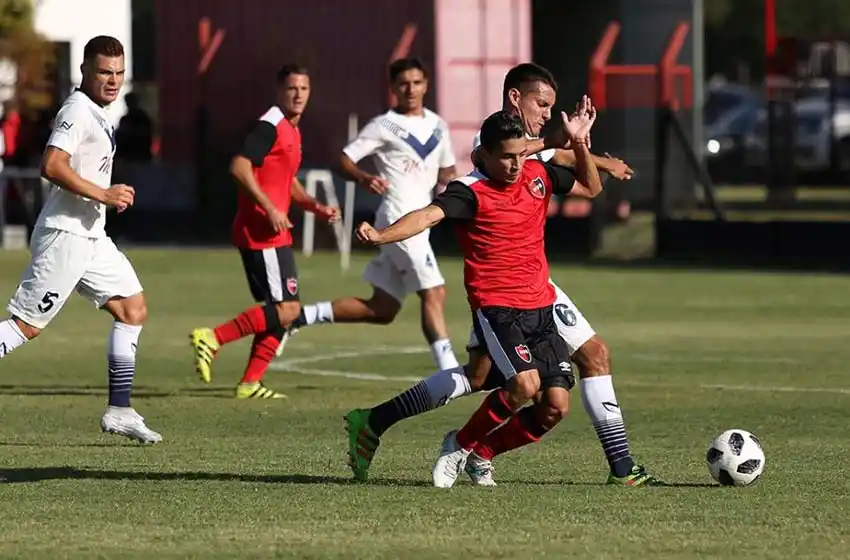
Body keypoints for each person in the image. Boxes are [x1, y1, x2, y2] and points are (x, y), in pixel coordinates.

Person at [0, 36, 161, 443]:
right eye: (105, 72)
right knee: (25, 327)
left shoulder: (99, 112)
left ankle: (121, 411)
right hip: (65, 237)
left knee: (132, 309)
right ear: (85, 71)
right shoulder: (77, 109)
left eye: (119, 73)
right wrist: (103, 194)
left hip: (91, 236)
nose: (113, 80)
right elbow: (51, 165)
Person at [278, 58, 460, 370]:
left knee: (383, 308)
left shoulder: (438, 126)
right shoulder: (384, 125)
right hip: (397, 219)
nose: (410, 89)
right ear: (393, 89)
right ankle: (451, 372)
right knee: (435, 292)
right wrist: (364, 178)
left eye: (417, 82)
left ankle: (300, 317)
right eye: (403, 84)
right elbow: (345, 159)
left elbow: (447, 172)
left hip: (419, 223)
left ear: (426, 84)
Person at [189, 64, 340, 399]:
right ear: (280, 91)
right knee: (287, 310)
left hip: (276, 233)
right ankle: (213, 338)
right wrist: (270, 208)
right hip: (261, 231)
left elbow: (287, 182)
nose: (298, 94)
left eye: (304, 88)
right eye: (292, 88)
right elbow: (240, 166)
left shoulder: (292, 130)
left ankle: (250, 383)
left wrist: (316, 207)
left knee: (283, 312)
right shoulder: (269, 124)